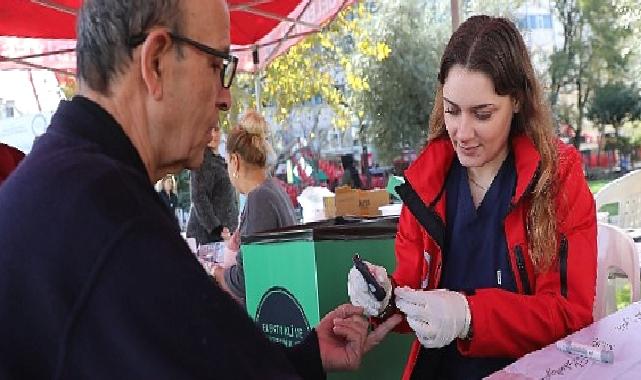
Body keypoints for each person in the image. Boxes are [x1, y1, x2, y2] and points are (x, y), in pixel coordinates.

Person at [0, 1, 401, 378]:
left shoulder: (64, 183)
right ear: (155, 62)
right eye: (218, 65)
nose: (225, 98)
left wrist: (305, 357)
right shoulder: (110, 217)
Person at [347, 15, 597, 380]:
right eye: (451, 110)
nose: (462, 133)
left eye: (482, 114)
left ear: (516, 101)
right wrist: (385, 298)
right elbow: (414, 296)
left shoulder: (557, 178)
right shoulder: (426, 184)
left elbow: (568, 316)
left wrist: (469, 316)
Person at [211, 110, 297, 303]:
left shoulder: (259, 199)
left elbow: (246, 279)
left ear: (235, 161)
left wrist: (217, 273)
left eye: (227, 163)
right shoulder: (272, 190)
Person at [187, 124, 238, 245]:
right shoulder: (201, 161)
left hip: (221, 236)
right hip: (207, 238)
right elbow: (199, 198)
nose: (213, 135)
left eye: (216, 130)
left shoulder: (218, 160)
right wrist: (216, 228)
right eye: (209, 130)